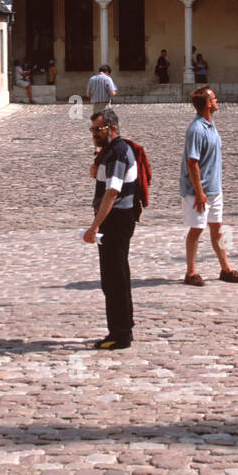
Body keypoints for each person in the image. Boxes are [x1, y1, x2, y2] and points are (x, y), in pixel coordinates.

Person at [82, 107, 139, 350]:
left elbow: (112, 192)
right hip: (117, 218)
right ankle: (123, 327)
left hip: (115, 220)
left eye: (99, 129)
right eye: (92, 130)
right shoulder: (111, 150)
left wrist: (94, 226)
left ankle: (119, 333)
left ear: (112, 128)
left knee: (114, 278)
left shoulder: (117, 153)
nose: (95, 134)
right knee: (116, 276)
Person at [181, 86, 238, 286]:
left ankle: (226, 268)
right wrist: (199, 193)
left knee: (219, 229)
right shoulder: (196, 129)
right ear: (208, 104)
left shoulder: (211, 124)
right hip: (198, 191)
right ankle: (190, 272)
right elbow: (192, 163)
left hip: (215, 189)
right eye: (214, 98)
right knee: (196, 229)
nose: (217, 101)